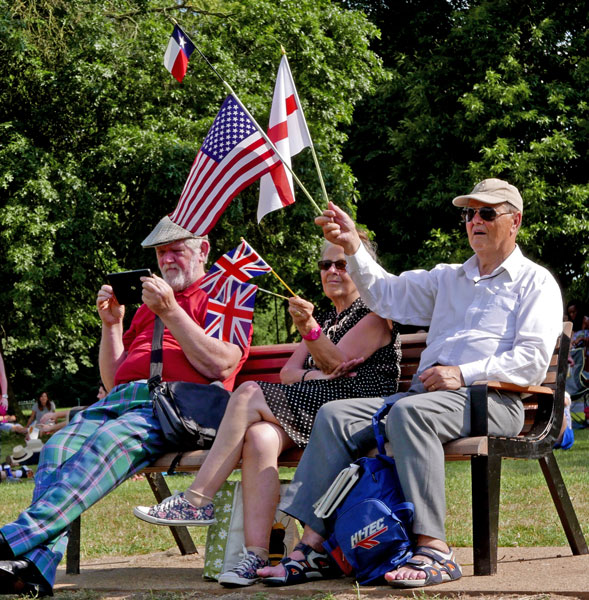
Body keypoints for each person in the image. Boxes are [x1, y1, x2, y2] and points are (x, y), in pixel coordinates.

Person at [259, 178, 563, 589]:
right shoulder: (447, 279)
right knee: (334, 416)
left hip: (493, 398)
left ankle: (434, 548)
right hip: (424, 398)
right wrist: (352, 247)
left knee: (408, 413)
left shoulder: (535, 282)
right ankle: (313, 548)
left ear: (515, 222)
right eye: (469, 213)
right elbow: (386, 295)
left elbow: (529, 361)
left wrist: (463, 374)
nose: (475, 220)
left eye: (487, 213)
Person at [133, 232, 402, 587]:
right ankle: (255, 556)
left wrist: (310, 336)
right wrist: (317, 364)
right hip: (317, 407)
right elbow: (290, 373)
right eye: (325, 264)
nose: (332, 270)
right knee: (259, 437)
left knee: (247, 393)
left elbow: (337, 362)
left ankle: (198, 498)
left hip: (353, 413)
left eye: (342, 263)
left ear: (361, 267)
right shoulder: (325, 318)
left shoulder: (373, 312)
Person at [0, 216, 249, 597]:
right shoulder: (149, 305)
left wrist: (171, 311)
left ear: (203, 250)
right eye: (161, 252)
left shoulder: (224, 293)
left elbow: (223, 364)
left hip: (176, 407)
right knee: (57, 448)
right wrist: (112, 326)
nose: (166, 259)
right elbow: (115, 378)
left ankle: (11, 540)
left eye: (176, 250)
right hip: (123, 399)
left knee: (110, 442)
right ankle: (35, 568)